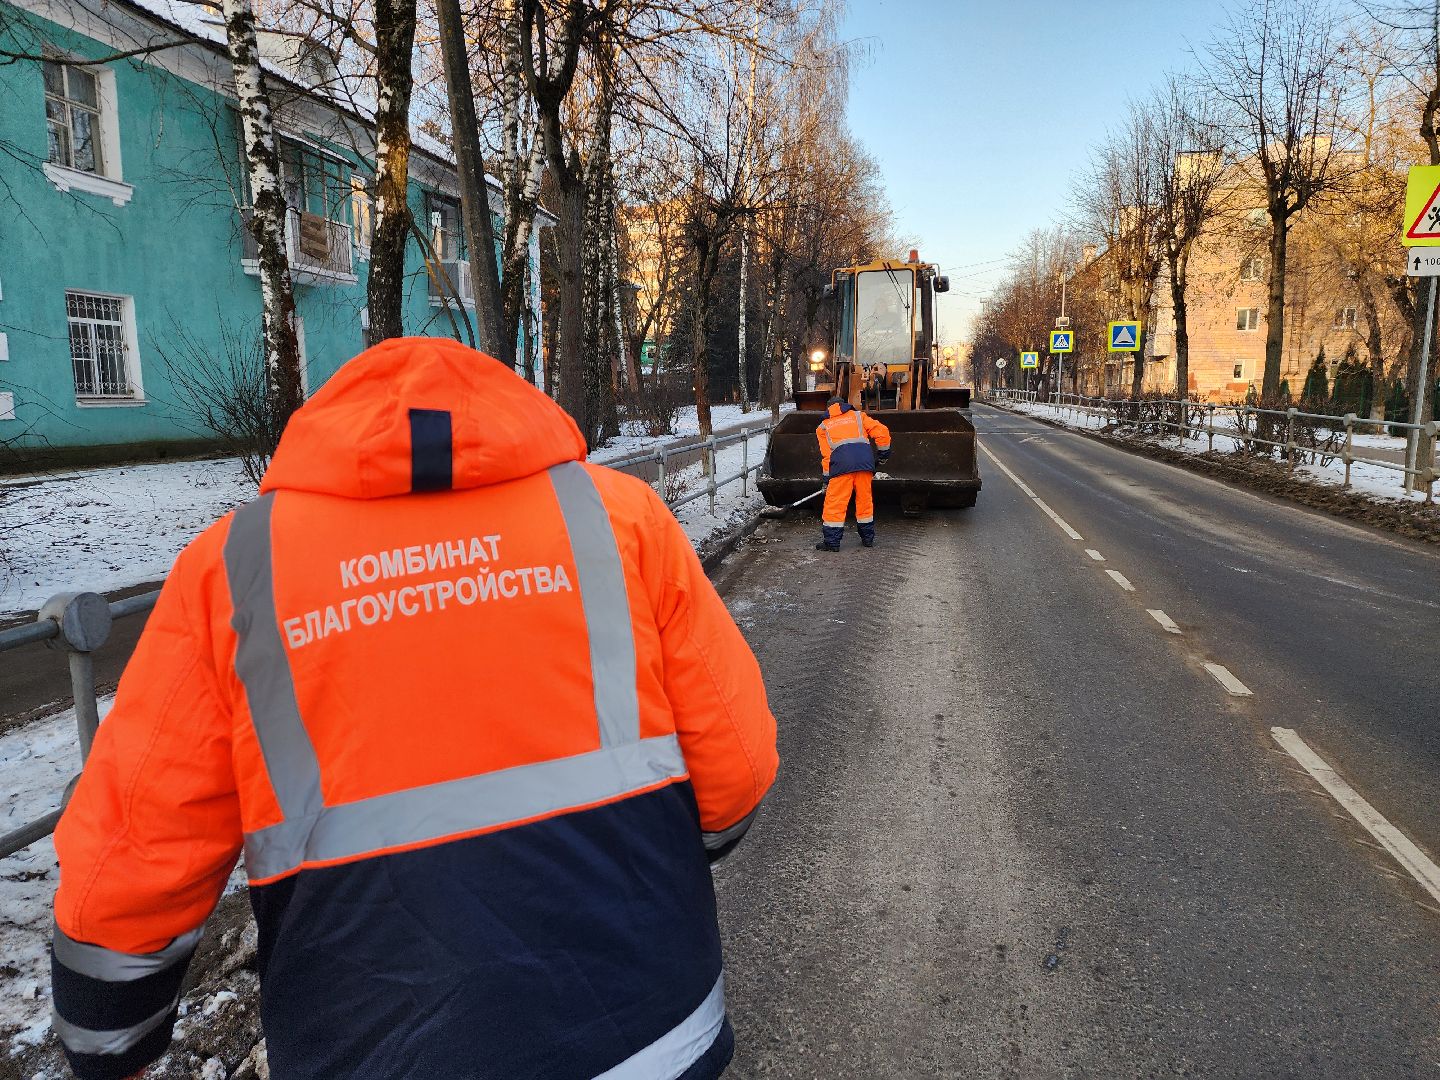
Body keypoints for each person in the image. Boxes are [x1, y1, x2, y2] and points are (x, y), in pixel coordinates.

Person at [49, 338, 779, 1080]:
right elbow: (738, 761)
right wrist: (687, 841)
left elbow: (137, 843)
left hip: (371, 1044)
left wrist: (108, 1036)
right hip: (649, 1033)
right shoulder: (619, 518)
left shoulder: (234, 569)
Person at [815, 395, 892, 552]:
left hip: (841, 467)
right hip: (864, 465)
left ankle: (832, 542)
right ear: (844, 406)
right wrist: (883, 454)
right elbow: (882, 431)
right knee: (864, 501)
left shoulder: (823, 427)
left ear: (828, 408)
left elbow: (827, 457)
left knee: (835, 504)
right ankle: (868, 539)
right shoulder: (859, 416)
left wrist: (826, 479)